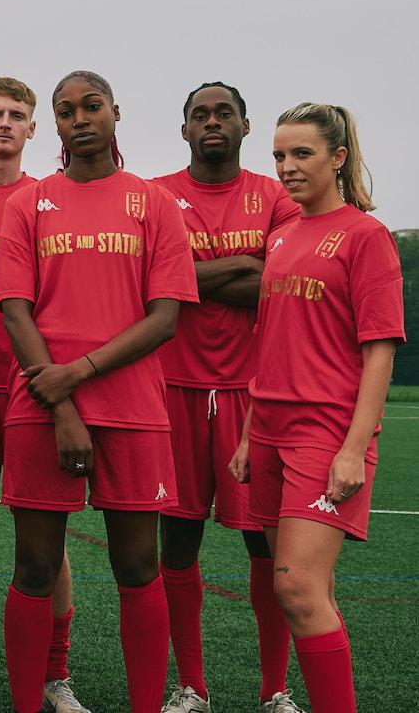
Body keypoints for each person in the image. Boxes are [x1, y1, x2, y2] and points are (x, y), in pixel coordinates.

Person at [0, 71, 197, 713]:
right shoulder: (28, 203)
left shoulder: (153, 203)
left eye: (92, 106)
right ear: (54, 123)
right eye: (65, 110)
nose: (79, 118)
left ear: (116, 112)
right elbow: (14, 307)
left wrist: (76, 373)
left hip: (132, 407)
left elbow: (165, 317)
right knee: (33, 567)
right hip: (40, 406)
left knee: (138, 568)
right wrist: (61, 405)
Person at [230, 103, 403, 713]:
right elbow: (268, 343)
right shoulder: (279, 236)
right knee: (307, 592)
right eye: (279, 155)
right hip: (270, 429)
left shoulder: (366, 236)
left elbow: (379, 351)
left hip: (325, 431)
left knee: (298, 589)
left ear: (337, 157)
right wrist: (251, 434)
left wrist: (355, 447)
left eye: (302, 154)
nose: (287, 166)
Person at [152, 83, 302, 713]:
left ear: (245, 125)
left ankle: (274, 690)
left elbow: (281, 285)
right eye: (199, 115)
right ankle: (191, 686)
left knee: (265, 544)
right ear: (184, 129)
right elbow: (149, 283)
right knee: (178, 542)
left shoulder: (276, 196)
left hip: (253, 393)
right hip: (174, 390)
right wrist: (242, 262)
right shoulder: (156, 195)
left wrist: (188, 276)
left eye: (223, 114)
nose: (211, 122)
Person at [0, 77, 87, 713]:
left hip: (40, 390)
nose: (5, 124)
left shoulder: (53, 201)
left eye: (18, 116)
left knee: (47, 540)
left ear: (35, 131)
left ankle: (56, 675)